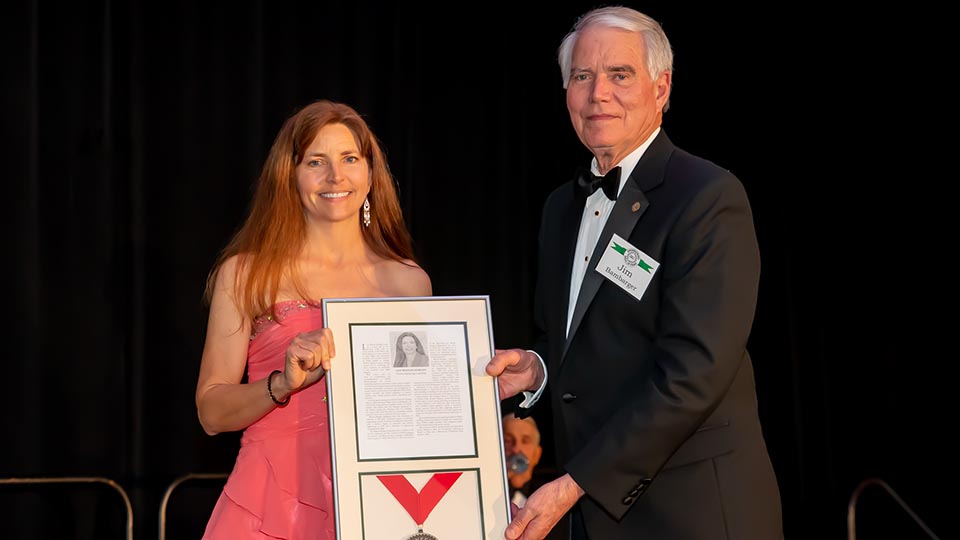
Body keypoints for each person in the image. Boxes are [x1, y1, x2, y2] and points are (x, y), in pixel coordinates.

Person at [486, 6, 783, 540]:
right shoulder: (560, 208)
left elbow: (694, 374)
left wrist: (576, 481)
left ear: (662, 87)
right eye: (582, 76)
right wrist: (538, 368)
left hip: (695, 514)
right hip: (597, 518)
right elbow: (576, 342)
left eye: (619, 74)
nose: (598, 93)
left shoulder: (707, 197)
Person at [196, 100, 431, 540]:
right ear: (290, 176)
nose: (335, 177)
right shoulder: (246, 274)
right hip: (268, 502)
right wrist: (280, 386)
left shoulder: (410, 283)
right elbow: (210, 412)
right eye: (315, 162)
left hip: (378, 503)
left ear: (370, 174)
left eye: (349, 159)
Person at [502, 412, 543, 508]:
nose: (516, 449)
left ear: (537, 454)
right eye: (508, 440)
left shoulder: (549, 499)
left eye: (525, 441)